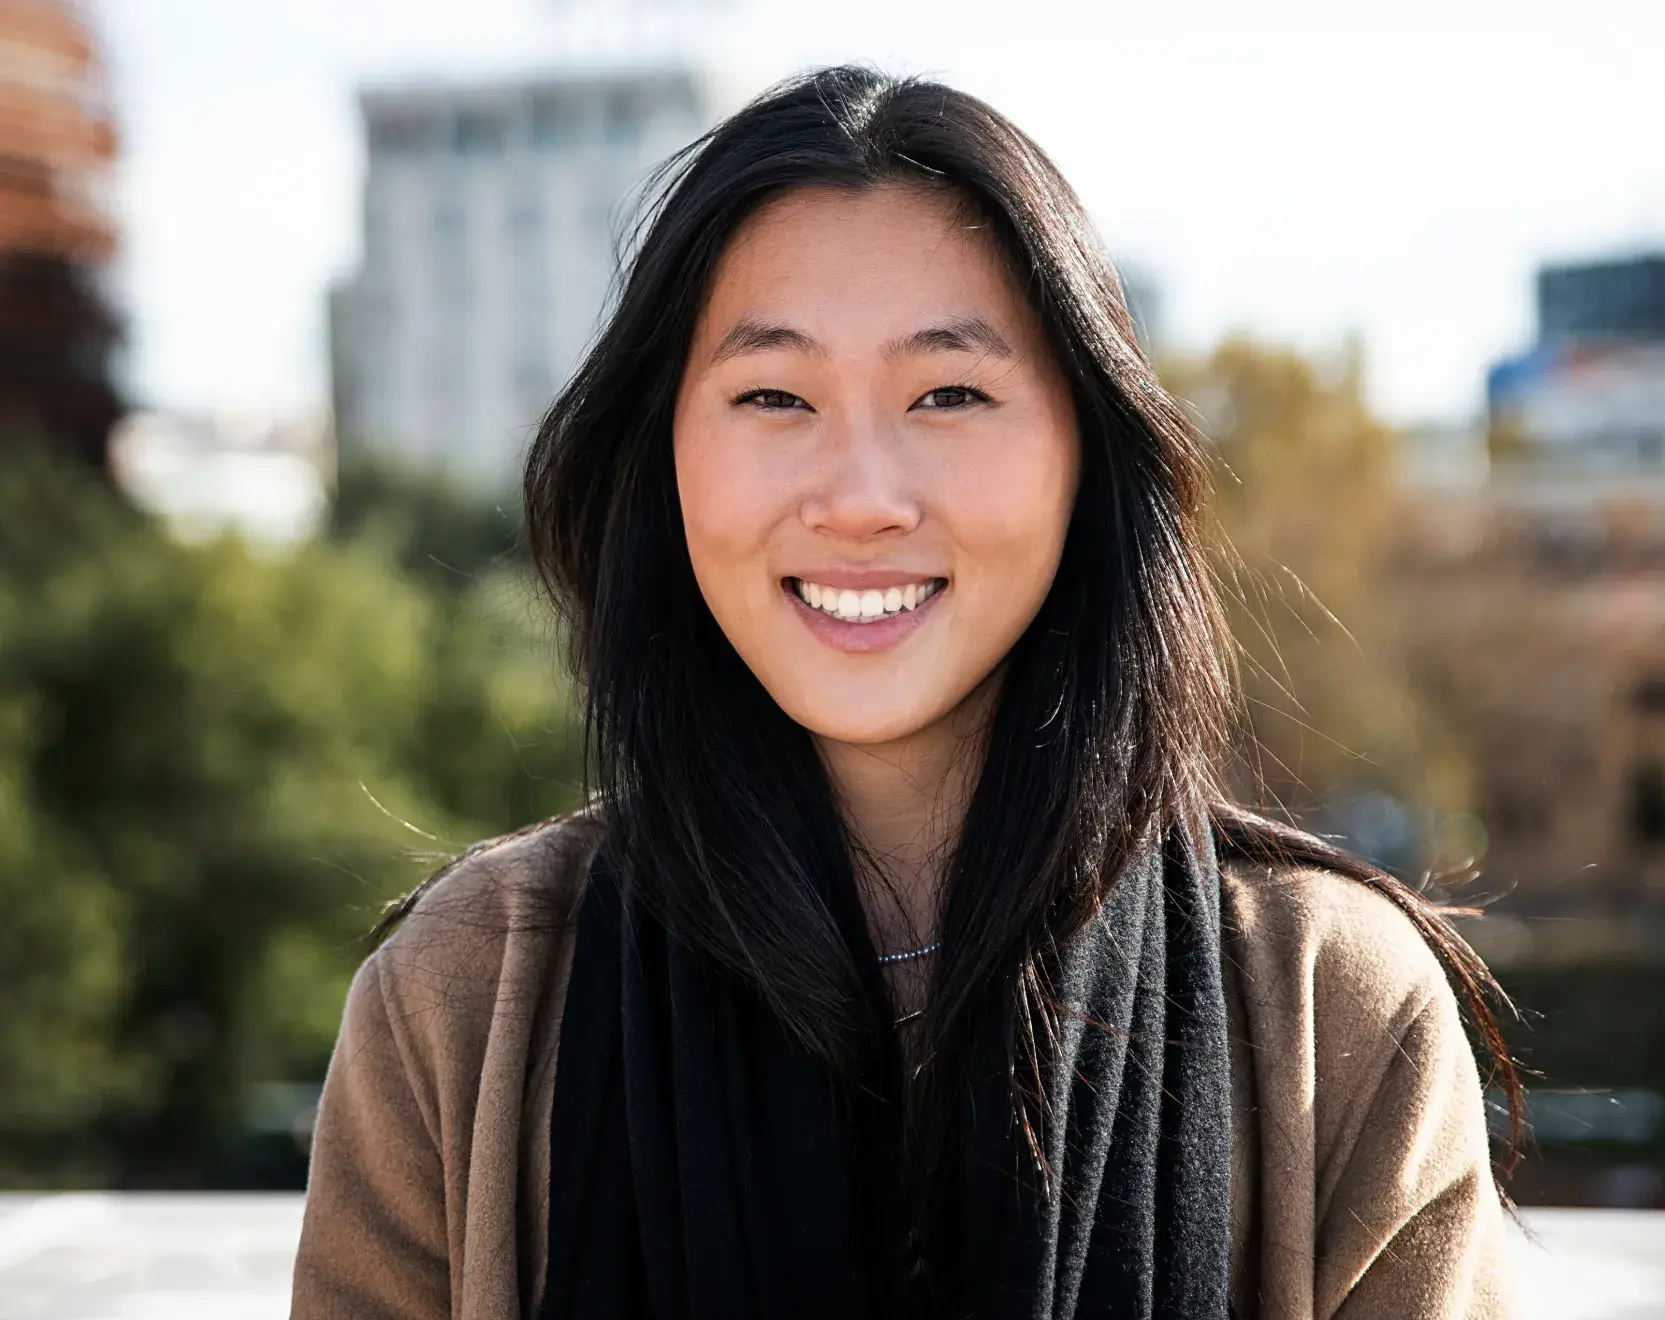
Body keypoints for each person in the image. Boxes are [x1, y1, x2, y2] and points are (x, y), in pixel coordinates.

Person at [291, 66, 1516, 1320]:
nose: (861, 498)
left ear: (1085, 452)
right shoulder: (468, 1000)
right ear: (663, 457)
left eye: (949, 394)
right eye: (773, 396)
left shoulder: (1326, 1006)